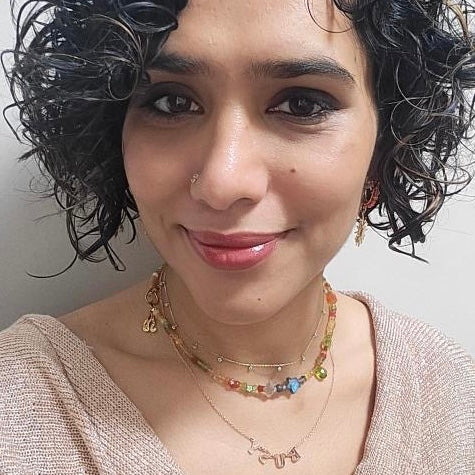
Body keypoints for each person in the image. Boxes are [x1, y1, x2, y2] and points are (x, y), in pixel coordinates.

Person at [0, 0, 474, 473]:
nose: (222, 184)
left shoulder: (452, 393)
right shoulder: (18, 405)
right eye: (172, 102)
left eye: (301, 104)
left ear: (385, 144)